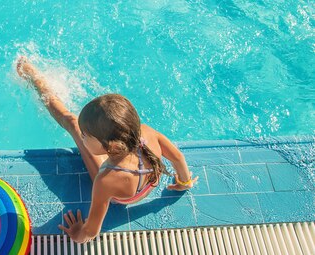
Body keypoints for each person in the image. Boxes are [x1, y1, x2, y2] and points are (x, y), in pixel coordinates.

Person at [16, 56, 198, 243]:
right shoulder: (146, 133)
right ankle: (35, 78)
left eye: (86, 135)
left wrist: (78, 234)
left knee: (71, 123)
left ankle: (35, 79)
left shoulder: (106, 179)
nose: (83, 137)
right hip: (147, 185)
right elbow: (177, 157)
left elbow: (92, 231)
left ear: (110, 145)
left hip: (123, 195)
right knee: (73, 123)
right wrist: (184, 182)